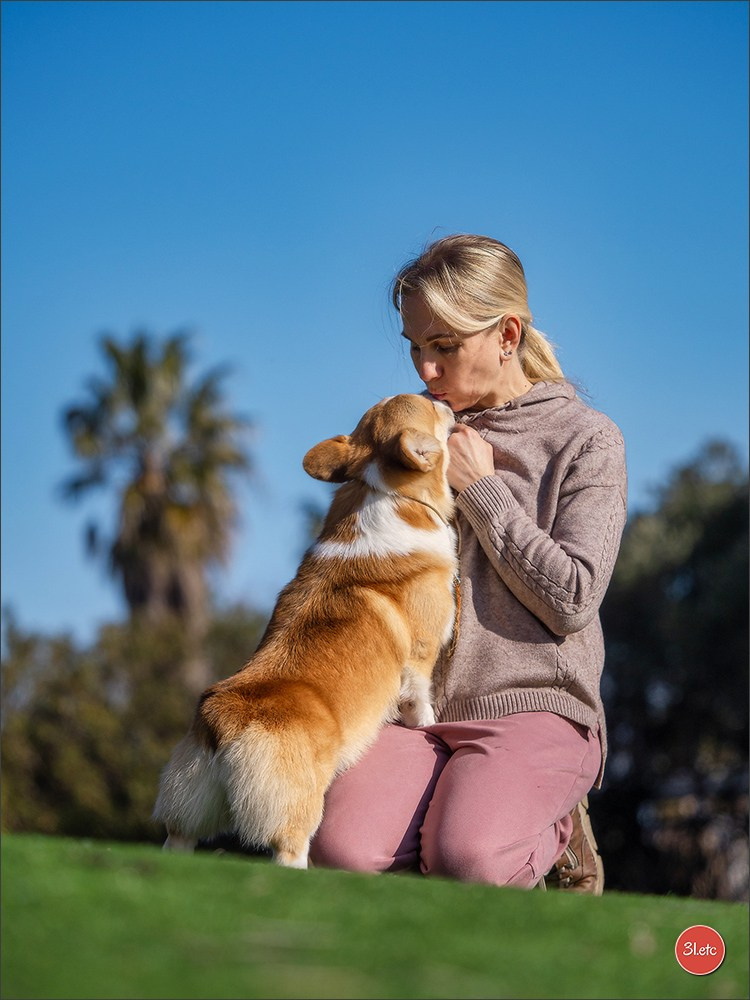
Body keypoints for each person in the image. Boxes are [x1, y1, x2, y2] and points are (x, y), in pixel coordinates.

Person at [308, 234, 627, 892]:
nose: (425, 369)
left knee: (468, 862)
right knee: (339, 852)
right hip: (414, 709)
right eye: (414, 347)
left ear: (507, 334)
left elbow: (573, 598)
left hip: (534, 705)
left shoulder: (586, 439)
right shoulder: (414, 431)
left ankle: (559, 834)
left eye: (444, 346)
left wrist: (482, 490)